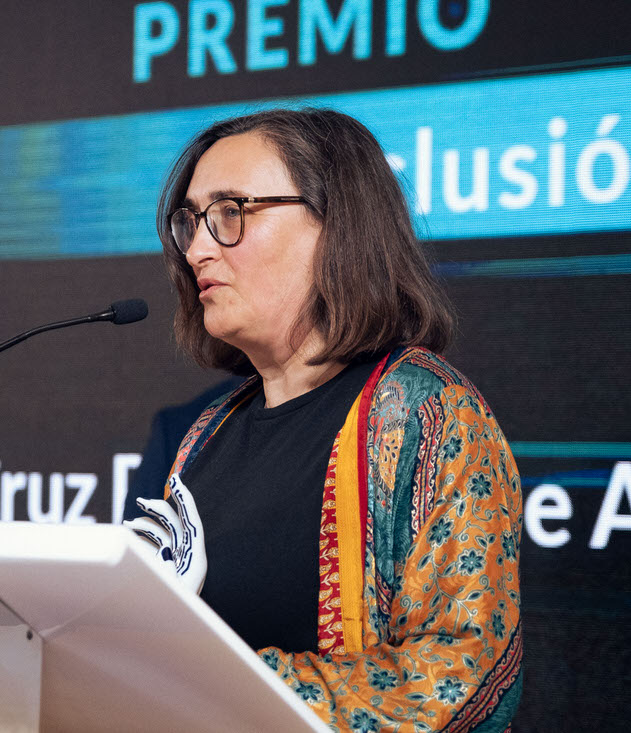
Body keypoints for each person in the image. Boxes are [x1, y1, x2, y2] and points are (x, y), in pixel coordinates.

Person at [135, 109, 522, 732]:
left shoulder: (428, 414)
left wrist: (221, 683)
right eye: (191, 222)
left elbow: (465, 676)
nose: (198, 249)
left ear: (336, 226)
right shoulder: (207, 432)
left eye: (230, 213)